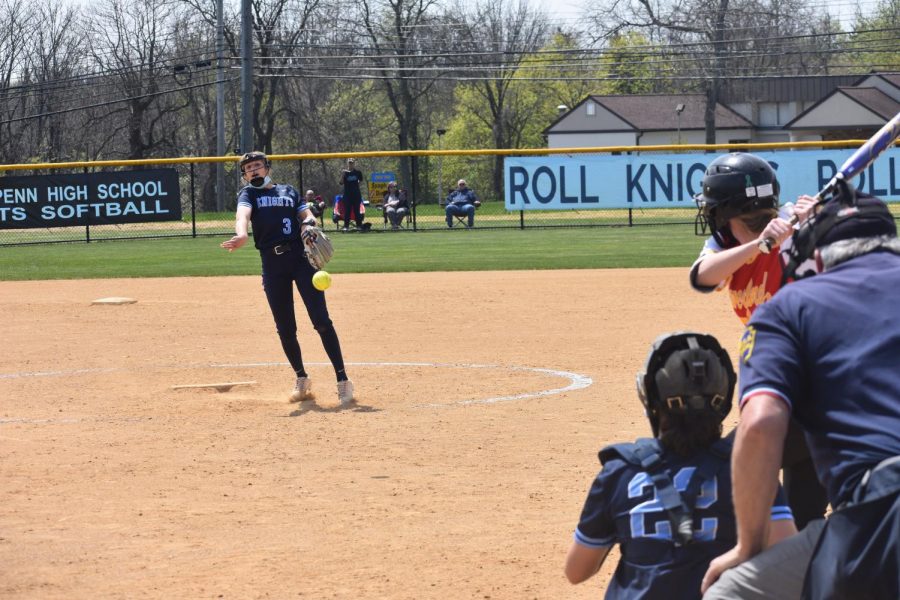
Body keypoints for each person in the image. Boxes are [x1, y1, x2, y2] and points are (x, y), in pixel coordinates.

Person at [702, 183, 900, 600]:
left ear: (816, 254)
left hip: (878, 514)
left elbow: (759, 425)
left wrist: (747, 547)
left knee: (727, 592)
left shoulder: (790, 306)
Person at [565, 332, 795, 599]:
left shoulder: (620, 472)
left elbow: (577, 571)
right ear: (724, 398)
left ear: (652, 398)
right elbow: (786, 556)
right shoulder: (752, 470)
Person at [690, 152, 825, 530]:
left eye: (715, 208)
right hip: (783, 387)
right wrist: (758, 246)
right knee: (804, 519)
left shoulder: (801, 232)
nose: (711, 216)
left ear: (730, 208)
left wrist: (819, 229)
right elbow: (702, 277)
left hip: (820, 390)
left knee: (723, 472)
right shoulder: (726, 243)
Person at [220, 151, 354, 406]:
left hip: (301, 260)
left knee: (321, 322)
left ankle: (343, 381)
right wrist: (242, 234)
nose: (254, 170)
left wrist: (308, 225)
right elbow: (243, 217)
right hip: (272, 265)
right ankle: (302, 378)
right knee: (285, 329)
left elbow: (306, 215)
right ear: (244, 175)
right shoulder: (248, 195)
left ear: (267, 168)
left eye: (258, 166)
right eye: (248, 168)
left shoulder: (288, 191)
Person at [339, 158, 365, 232]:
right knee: (347, 211)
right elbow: (341, 183)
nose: (351, 164)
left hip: (356, 195)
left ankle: (359, 226)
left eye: (352, 163)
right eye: (349, 163)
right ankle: (346, 226)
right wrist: (342, 174)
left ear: (354, 164)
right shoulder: (345, 172)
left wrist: (355, 186)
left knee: (357, 210)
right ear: (347, 163)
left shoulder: (358, 172)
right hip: (347, 195)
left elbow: (361, 181)